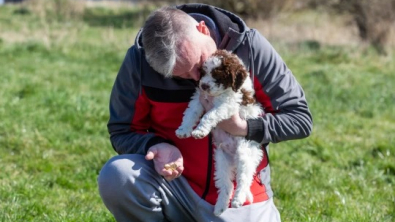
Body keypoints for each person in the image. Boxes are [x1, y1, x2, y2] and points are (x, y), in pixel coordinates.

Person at [98, 3, 313, 222]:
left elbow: (300, 119)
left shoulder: (250, 46)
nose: (197, 80)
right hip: (173, 185)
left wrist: (242, 127)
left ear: (203, 29)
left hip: (236, 189)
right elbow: (121, 130)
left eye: (198, 64)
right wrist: (154, 145)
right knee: (118, 176)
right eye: (179, 76)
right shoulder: (138, 61)